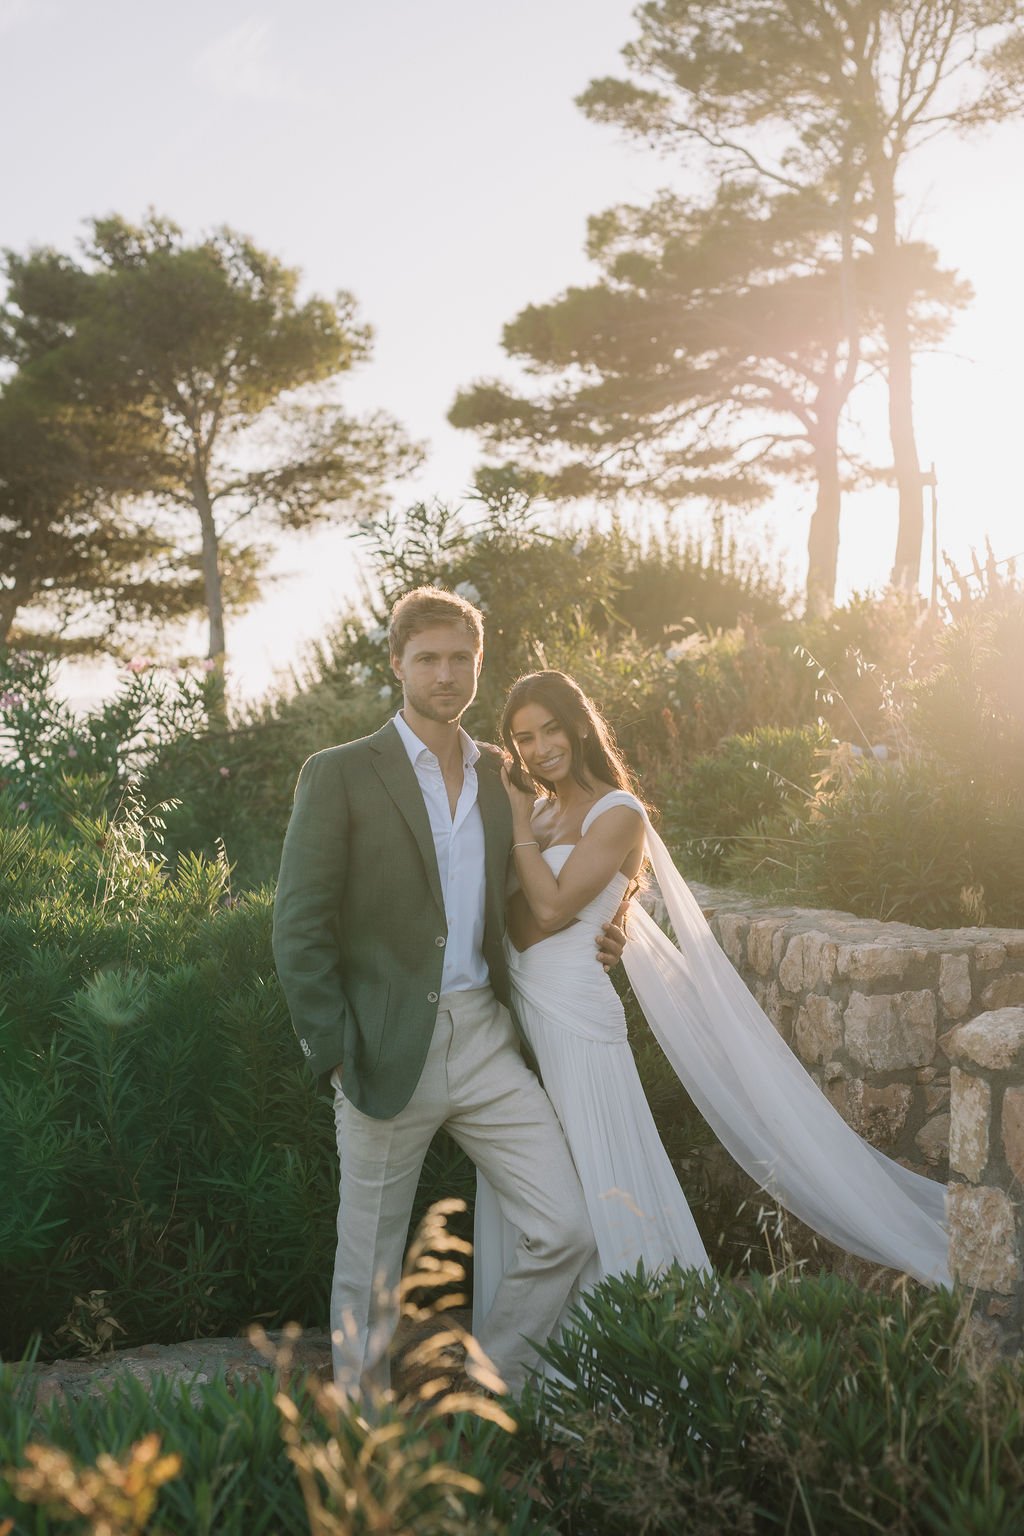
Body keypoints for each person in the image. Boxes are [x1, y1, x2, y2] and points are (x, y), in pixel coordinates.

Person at [474, 670, 950, 1321]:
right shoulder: (543, 813)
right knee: (540, 1184)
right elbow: (513, 918)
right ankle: (538, 1345)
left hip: (576, 1021)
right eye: (524, 738)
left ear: (580, 725)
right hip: (523, 1014)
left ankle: (626, 1337)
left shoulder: (617, 812)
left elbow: (551, 910)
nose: (538, 748)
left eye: (550, 729)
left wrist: (519, 828)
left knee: (601, 1172)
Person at [272, 589, 627, 1398]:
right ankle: (365, 1434)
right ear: (396, 664)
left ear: (478, 662)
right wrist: (335, 1054)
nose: (445, 674)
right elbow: (298, 926)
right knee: (369, 1264)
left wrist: (613, 926)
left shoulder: (507, 775)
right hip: (381, 1049)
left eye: (460, 658)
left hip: (486, 1043)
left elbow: (545, 887)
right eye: (427, 658)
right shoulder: (340, 772)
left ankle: (483, 1392)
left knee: (565, 1228)